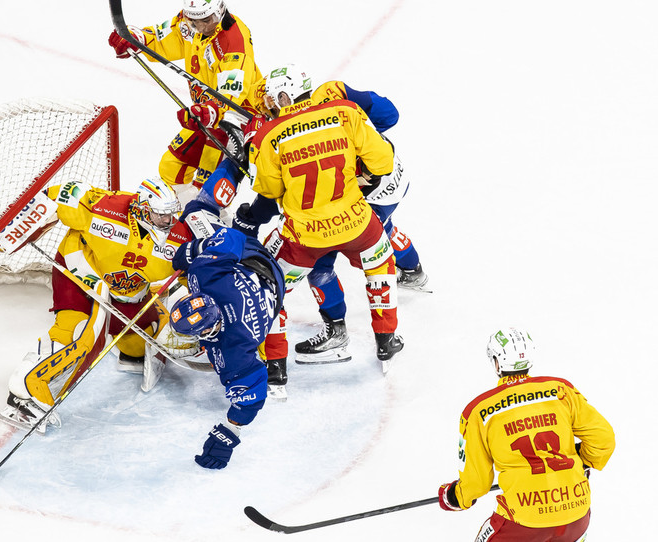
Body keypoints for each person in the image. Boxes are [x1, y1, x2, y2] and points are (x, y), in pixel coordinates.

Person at [234, 64, 405, 399]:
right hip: (357, 221)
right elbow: (384, 162)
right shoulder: (344, 111)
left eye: (273, 97)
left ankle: (276, 366)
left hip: (306, 234)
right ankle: (387, 340)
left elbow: (268, 190)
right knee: (381, 265)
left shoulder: (270, 133)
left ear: (284, 95)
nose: (271, 103)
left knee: (270, 285)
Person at [0, 177, 184, 432]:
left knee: (145, 339)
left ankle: (129, 346)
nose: (168, 222)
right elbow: (61, 192)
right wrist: (16, 227)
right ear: (142, 208)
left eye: (171, 215)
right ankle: (24, 392)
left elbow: (200, 266)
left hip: (127, 289)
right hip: (79, 275)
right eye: (161, 215)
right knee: (77, 332)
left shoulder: (180, 234)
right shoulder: (103, 207)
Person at [438, 327, 615, 541]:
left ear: (496, 362)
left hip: (522, 522)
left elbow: (477, 482)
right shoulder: (561, 390)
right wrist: (583, 460)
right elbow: (603, 439)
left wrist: (455, 497)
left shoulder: (478, 411)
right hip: (576, 515)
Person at [108, 0, 262, 201]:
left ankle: (208, 224)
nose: (201, 27)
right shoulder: (190, 22)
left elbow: (231, 94)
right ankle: (185, 219)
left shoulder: (233, 41)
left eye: (207, 20)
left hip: (234, 120)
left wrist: (212, 112)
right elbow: (163, 38)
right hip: (205, 114)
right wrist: (137, 38)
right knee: (171, 168)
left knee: (207, 191)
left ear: (220, 10)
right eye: (194, 21)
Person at [169, 225, 284, 469]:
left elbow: (252, 397)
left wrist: (229, 432)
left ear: (208, 330)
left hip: (270, 287)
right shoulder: (204, 273)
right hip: (260, 266)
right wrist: (196, 252)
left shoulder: (233, 353)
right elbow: (232, 235)